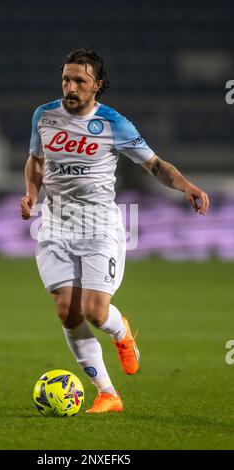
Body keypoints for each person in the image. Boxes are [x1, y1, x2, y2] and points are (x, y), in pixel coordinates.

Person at [21, 48, 210, 414]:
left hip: (99, 225)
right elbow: (36, 159)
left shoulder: (113, 124)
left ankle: (120, 331)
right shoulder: (44, 116)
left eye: (79, 81)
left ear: (98, 86)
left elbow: (154, 165)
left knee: (94, 311)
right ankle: (108, 393)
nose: (70, 87)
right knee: (66, 312)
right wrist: (31, 192)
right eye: (66, 79)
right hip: (55, 224)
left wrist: (186, 185)